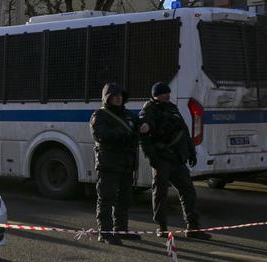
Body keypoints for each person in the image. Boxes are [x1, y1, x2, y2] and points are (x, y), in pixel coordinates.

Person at [139, 82, 211, 239]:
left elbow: (184, 131)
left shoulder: (172, 108)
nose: (167, 95)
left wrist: (191, 152)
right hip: (162, 158)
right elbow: (144, 136)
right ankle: (162, 226)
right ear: (156, 94)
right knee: (160, 193)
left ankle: (192, 226)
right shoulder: (149, 110)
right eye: (164, 93)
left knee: (188, 192)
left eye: (168, 93)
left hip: (177, 159)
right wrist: (153, 158)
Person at [90, 83, 140, 244]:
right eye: (114, 95)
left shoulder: (128, 115)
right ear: (107, 97)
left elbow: (139, 128)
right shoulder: (100, 115)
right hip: (108, 163)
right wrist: (123, 132)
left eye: (120, 95)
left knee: (124, 198)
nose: (118, 98)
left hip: (126, 163)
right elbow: (100, 135)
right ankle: (104, 232)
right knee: (106, 198)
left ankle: (120, 229)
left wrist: (145, 126)